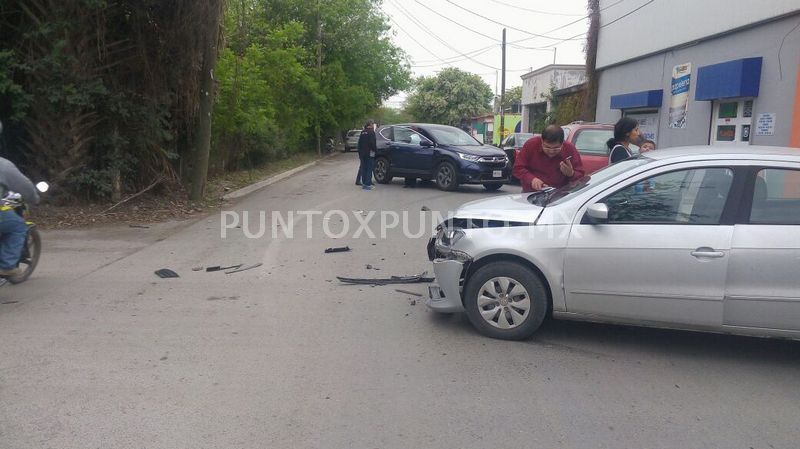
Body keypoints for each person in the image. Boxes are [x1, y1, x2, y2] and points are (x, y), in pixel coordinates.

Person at [512, 124, 585, 193]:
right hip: (531, 193)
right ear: (542, 141)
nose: (551, 151)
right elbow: (517, 168)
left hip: (558, 195)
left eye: (556, 148)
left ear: (562, 143)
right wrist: (532, 179)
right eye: (547, 147)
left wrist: (571, 174)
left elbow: (581, 177)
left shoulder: (569, 149)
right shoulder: (531, 145)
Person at [0, 156, 40, 277]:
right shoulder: (3, 165)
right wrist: (34, 199)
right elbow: (25, 187)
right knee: (18, 227)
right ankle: (7, 267)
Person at [357, 119, 377, 190]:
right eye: (373, 124)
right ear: (371, 124)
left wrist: (359, 152)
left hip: (362, 153)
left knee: (364, 168)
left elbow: (359, 143)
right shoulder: (371, 132)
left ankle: (364, 183)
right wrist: (375, 150)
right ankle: (368, 184)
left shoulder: (363, 132)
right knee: (369, 168)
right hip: (369, 153)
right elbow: (372, 143)